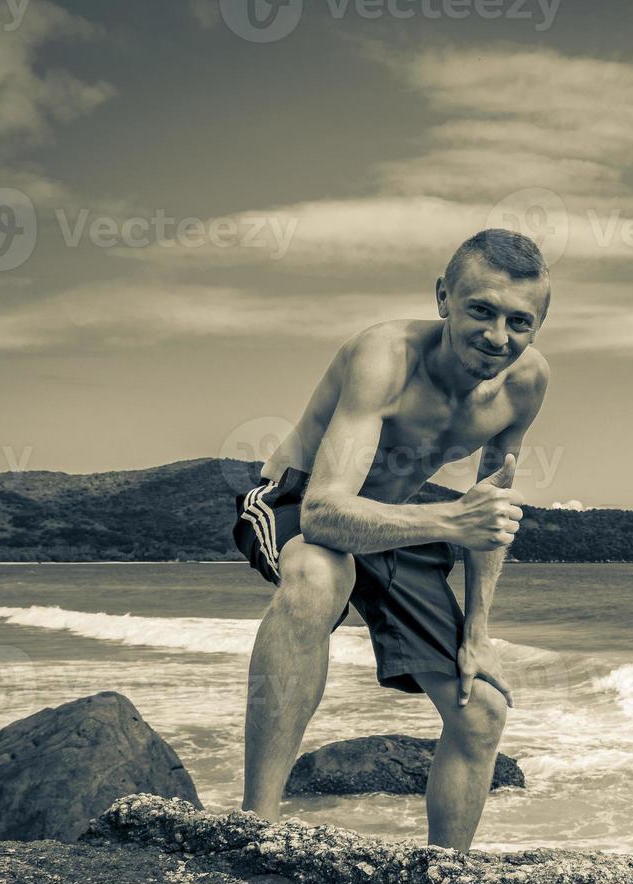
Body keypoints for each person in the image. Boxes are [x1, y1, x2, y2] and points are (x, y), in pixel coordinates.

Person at [231, 229, 551, 851]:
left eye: (519, 321)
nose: (496, 336)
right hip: (299, 496)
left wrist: (478, 633)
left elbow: (489, 513)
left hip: (393, 518)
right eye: (480, 310)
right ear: (443, 299)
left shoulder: (526, 385)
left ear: (537, 326)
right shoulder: (385, 356)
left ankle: (445, 881)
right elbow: (325, 514)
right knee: (321, 576)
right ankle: (255, 829)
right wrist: (449, 524)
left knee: (482, 708)